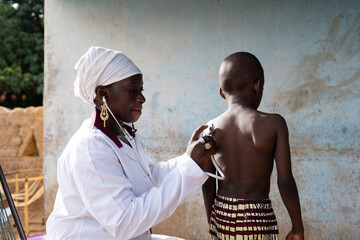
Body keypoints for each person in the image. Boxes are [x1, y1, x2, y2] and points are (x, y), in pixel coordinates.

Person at [46, 46, 217, 240]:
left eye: (141, 90)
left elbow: (149, 175)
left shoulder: (123, 135)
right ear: (103, 94)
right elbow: (125, 222)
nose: (142, 98)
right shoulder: (89, 149)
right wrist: (189, 167)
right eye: (132, 90)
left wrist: (190, 158)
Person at [202, 52, 304, 240]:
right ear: (257, 86)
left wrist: (212, 221)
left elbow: (208, 183)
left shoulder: (210, 129)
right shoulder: (275, 124)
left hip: (223, 216)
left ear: (221, 92)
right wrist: (298, 228)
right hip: (258, 220)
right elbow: (285, 182)